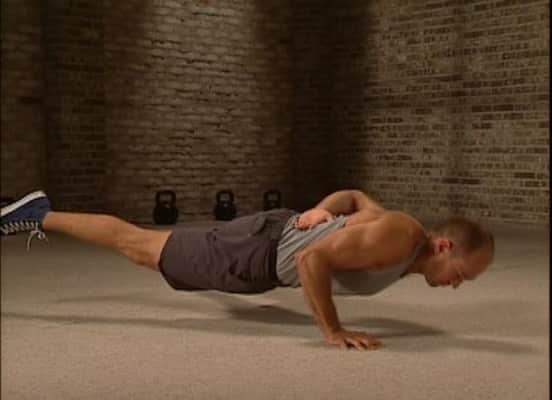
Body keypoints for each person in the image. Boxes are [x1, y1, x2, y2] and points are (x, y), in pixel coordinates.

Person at [1, 189, 494, 351]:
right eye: (461, 274)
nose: (457, 285)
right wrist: (333, 330)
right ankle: (36, 213)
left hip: (266, 244)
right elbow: (311, 259)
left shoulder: (402, 239)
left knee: (145, 249)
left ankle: (37, 212)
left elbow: (358, 198)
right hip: (259, 251)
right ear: (444, 245)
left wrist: (321, 209)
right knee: (140, 247)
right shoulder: (400, 238)